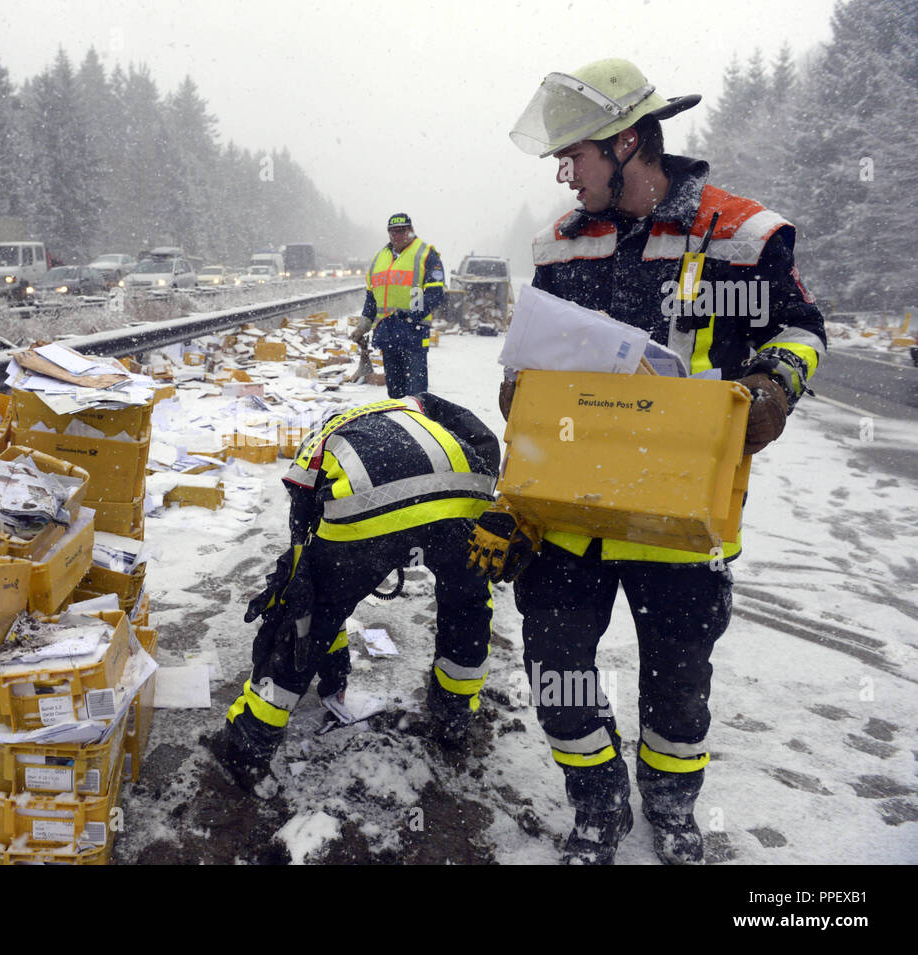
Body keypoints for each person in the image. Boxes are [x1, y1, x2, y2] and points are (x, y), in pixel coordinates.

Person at [503, 58, 826, 864]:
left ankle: (672, 807)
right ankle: (599, 799)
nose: (562, 170)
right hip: (570, 511)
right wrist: (518, 394)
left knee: (678, 691)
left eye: (575, 153)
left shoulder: (737, 236)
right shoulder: (564, 244)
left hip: (679, 517)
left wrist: (773, 385)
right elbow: (532, 355)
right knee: (557, 669)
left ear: (630, 142)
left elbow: (802, 329)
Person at [207, 393, 516, 796]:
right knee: (468, 606)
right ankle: (453, 717)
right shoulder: (420, 405)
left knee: (312, 609)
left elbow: (306, 551)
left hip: (365, 506)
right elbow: (484, 439)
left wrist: (308, 601)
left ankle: (250, 742)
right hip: (462, 496)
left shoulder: (320, 442)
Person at [351, 214, 446, 398]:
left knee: (416, 394)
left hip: (414, 334)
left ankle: (417, 424)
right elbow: (372, 297)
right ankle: (401, 424)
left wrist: (412, 316)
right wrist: (364, 324)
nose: (397, 236)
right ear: (388, 234)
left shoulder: (426, 254)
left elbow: (436, 293)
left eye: (402, 231)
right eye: (393, 232)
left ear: (411, 231)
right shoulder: (379, 258)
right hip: (387, 335)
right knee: (395, 392)